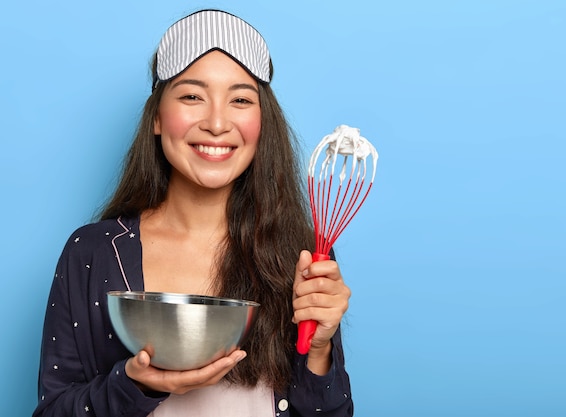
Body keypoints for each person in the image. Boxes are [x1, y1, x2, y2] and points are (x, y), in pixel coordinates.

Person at [33, 9, 353, 417]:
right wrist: (133, 385)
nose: (217, 123)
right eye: (191, 96)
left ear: (262, 123)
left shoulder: (303, 256)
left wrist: (320, 347)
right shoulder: (92, 253)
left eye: (240, 99)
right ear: (155, 118)